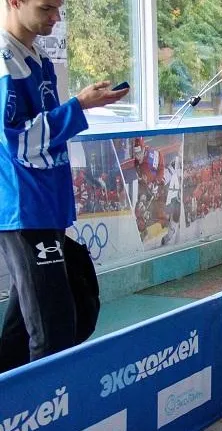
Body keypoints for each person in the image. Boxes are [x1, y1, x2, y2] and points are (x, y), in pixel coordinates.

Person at [0, 0, 129, 373]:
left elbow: (46, 135)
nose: (56, 18)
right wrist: (79, 106)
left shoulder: (36, 57)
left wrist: (82, 107)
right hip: (23, 208)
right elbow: (19, 141)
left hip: (46, 204)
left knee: (26, 327)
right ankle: (50, 417)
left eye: (59, 7)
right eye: (46, 8)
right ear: (14, 2)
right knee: (55, 329)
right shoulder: (6, 63)